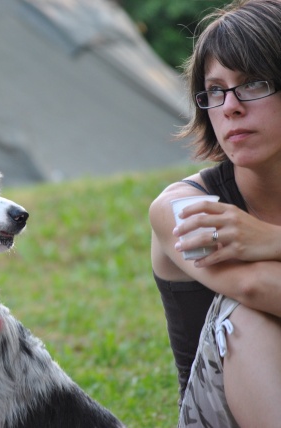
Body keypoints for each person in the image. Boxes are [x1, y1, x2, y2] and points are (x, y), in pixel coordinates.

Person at [149, 0, 281, 426]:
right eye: (216, 90)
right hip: (226, 412)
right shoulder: (184, 207)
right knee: (246, 311)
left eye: (254, 83)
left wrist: (271, 240)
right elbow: (256, 286)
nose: (231, 107)